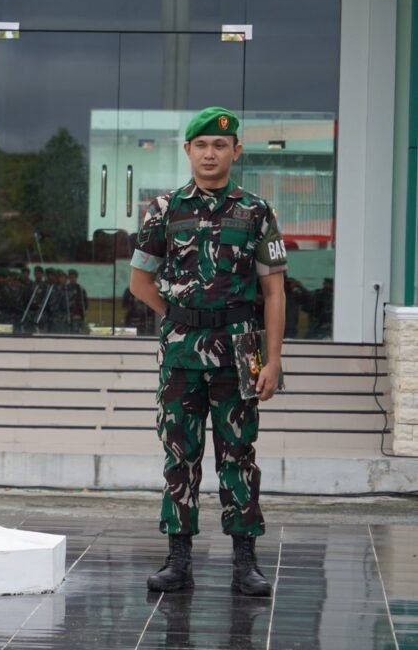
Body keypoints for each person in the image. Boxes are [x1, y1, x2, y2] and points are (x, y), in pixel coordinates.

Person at [129, 107, 288, 598]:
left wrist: (274, 360)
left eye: (221, 145)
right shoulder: (163, 210)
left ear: (235, 151)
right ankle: (178, 560)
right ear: (188, 151)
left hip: (240, 348)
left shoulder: (257, 212)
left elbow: (275, 292)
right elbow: (140, 282)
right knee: (181, 454)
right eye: (201, 145)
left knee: (238, 454)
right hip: (181, 353)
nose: (210, 153)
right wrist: (179, 315)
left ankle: (245, 562)